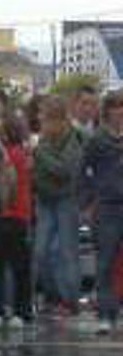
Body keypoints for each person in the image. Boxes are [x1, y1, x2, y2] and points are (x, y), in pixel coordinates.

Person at [32, 95, 83, 317]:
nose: (42, 124)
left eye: (45, 119)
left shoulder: (74, 139)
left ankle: (70, 299)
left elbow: (64, 170)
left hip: (66, 199)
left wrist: (39, 155)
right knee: (42, 250)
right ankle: (52, 296)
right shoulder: (44, 140)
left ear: (59, 120)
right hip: (45, 199)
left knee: (67, 251)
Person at [82, 90, 123, 335]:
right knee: (105, 261)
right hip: (107, 208)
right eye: (115, 107)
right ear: (107, 112)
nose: (119, 112)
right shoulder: (97, 140)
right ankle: (106, 314)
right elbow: (82, 171)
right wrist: (87, 203)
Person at [0, 111, 34, 329]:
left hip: (5, 214)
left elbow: (2, 184)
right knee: (20, 266)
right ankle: (22, 310)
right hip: (22, 215)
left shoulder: (6, 155)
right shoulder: (24, 154)